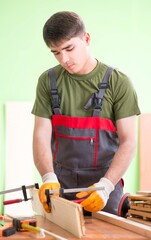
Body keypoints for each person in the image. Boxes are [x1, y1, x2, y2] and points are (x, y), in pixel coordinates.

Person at [32, 11, 140, 216]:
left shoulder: (119, 83)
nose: (64, 59)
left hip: (104, 191)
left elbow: (129, 142)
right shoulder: (47, 81)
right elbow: (41, 135)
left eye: (69, 48)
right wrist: (48, 178)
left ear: (86, 39)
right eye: (55, 52)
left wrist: (106, 186)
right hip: (59, 190)